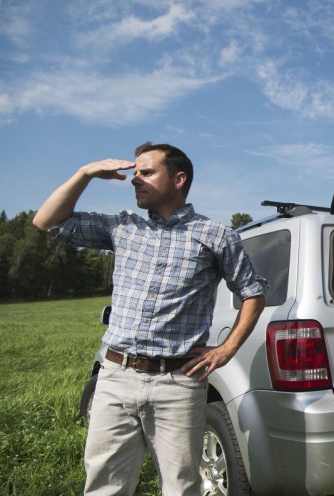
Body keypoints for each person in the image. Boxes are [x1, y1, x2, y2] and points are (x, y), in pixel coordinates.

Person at [33, 142, 268, 495]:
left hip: (178, 382)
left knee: (181, 487)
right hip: (115, 377)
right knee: (104, 486)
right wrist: (84, 173)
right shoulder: (123, 228)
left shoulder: (216, 235)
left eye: (146, 172)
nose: (134, 179)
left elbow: (253, 292)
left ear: (178, 179)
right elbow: (46, 221)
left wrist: (226, 349)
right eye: (135, 172)